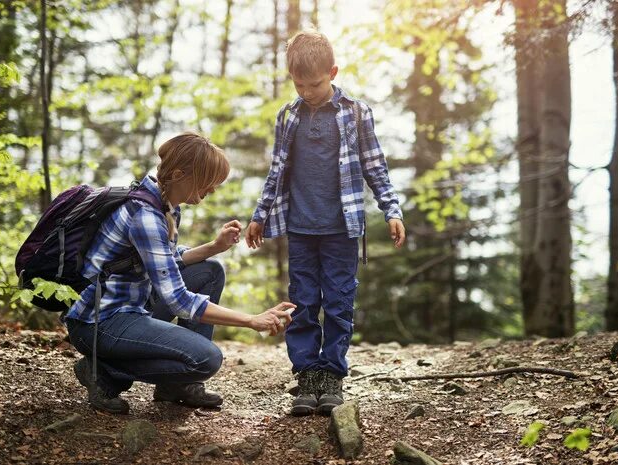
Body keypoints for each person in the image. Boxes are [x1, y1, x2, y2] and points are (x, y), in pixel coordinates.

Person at [65, 132, 294, 415]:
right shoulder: (145, 215)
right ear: (179, 174)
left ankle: (176, 386)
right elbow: (179, 301)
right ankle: (103, 372)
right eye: (208, 181)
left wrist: (215, 246)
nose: (212, 189)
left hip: (132, 306)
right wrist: (251, 320)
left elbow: (167, 262)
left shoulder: (164, 204)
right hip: (100, 322)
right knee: (206, 360)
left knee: (209, 271)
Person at [245, 30, 405, 416]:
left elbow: (374, 166)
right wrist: (260, 215)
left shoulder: (355, 113)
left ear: (332, 72)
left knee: (337, 302)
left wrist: (392, 209)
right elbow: (277, 171)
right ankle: (307, 374)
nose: (307, 91)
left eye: (314, 83)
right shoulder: (288, 116)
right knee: (302, 301)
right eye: (299, 84)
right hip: (300, 228)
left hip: (342, 230)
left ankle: (331, 373)